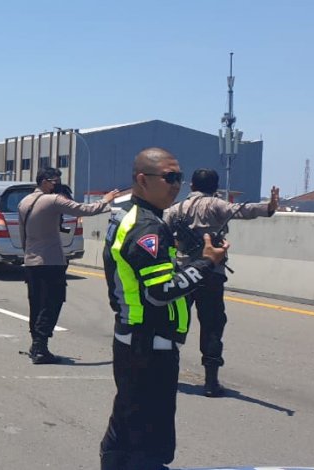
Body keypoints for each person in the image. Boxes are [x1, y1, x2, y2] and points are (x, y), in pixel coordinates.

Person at [99, 148, 228, 470]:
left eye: (179, 178)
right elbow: (160, 292)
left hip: (131, 338)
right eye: (169, 177)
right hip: (150, 346)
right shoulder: (149, 229)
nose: (176, 185)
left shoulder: (127, 218)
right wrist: (206, 263)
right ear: (143, 180)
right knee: (151, 444)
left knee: (125, 430)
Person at [163, 169, 280, 397]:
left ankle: (166, 373)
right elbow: (243, 211)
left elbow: (160, 230)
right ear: (214, 186)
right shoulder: (216, 205)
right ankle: (211, 382)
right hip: (211, 274)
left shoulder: (174, 210)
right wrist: (269, 206)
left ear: (192, 185)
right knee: (213, 326)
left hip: (182, 274)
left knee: (175, 325)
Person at [18, 168, 117, 364]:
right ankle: (40, 347)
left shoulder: (24, 201)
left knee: (36, 303)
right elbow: (85, 209)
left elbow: (23, 235)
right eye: (55, 181)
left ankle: (35, 343)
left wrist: (28, 254)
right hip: (51, 261)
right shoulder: (53, 200)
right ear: (45, 182)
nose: (57, 185)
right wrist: (106, 200)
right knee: (52, 303)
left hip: (31, 260)